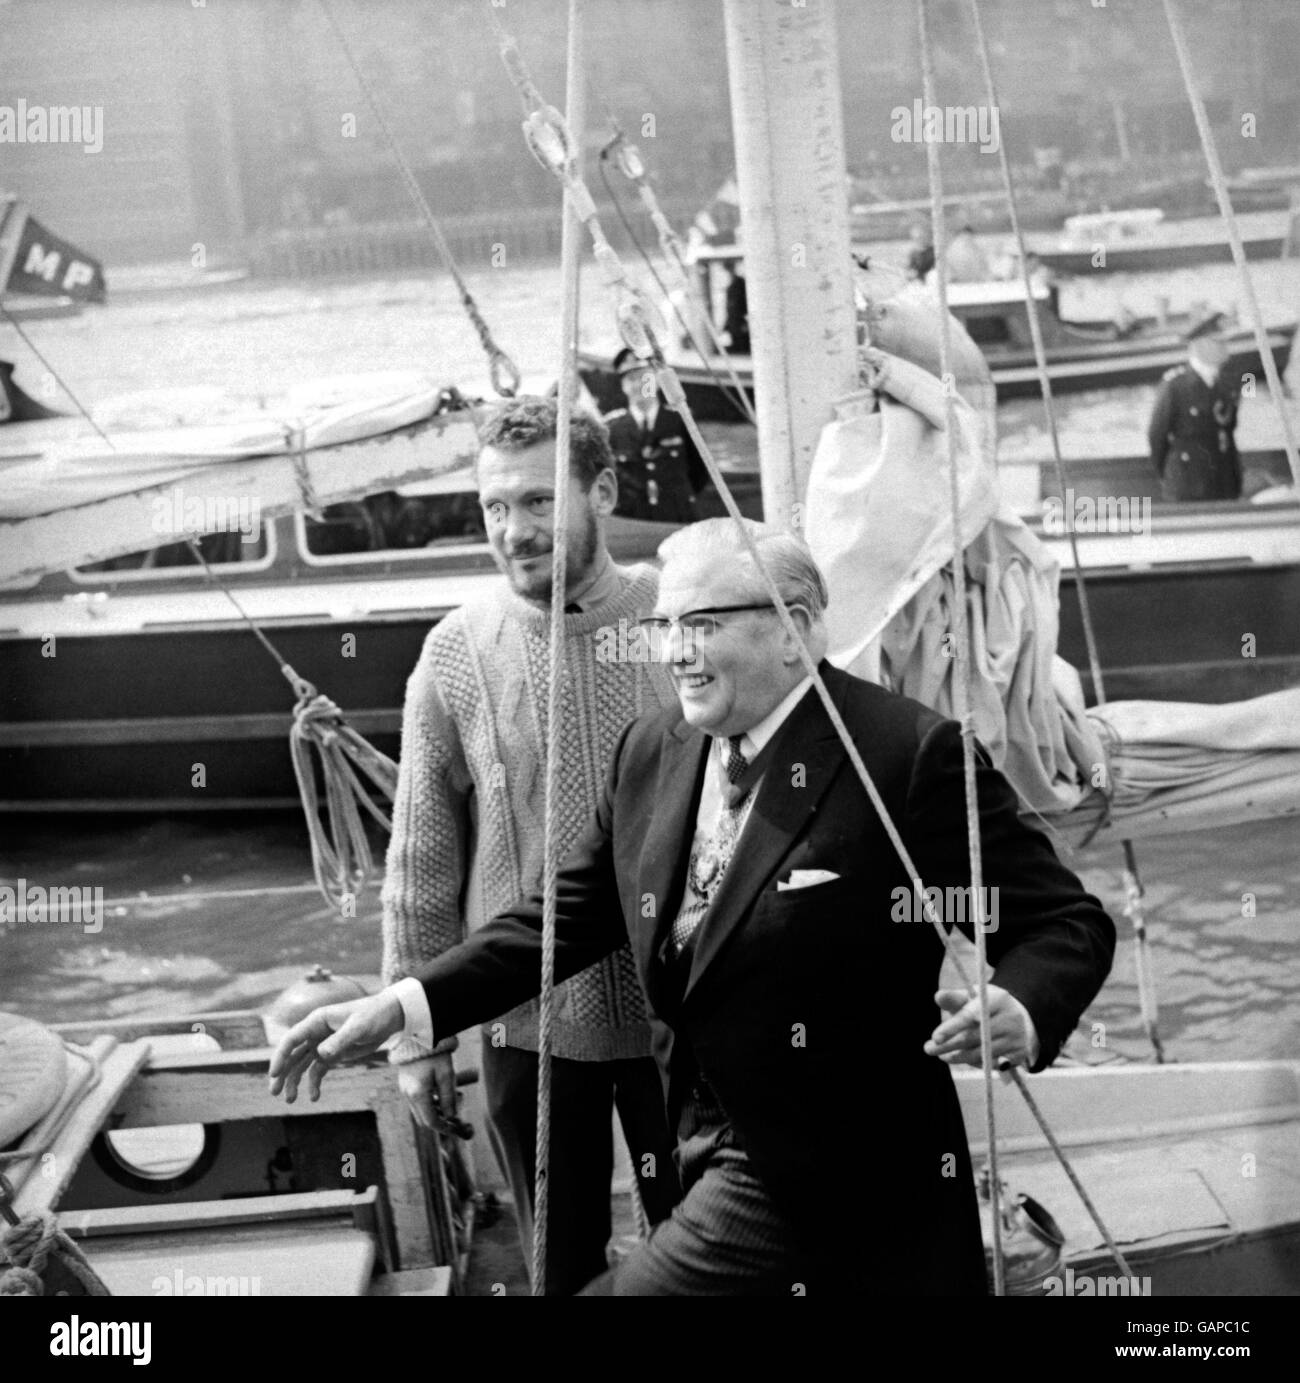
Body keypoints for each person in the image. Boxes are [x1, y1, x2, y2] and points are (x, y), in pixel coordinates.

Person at [271, 519, 1116, 1296]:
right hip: (696, 1161)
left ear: (792, 627)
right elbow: (559, 922)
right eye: (664, 626)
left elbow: (1063, 921)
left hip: (825, 1177)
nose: (675, 651)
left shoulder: (907, 758)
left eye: (701, 623)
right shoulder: (654, 751)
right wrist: (402, 1004)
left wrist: (1024, 1004)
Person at [377, 395, 680, 1295]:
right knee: (558, 1265)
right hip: (528, 1020)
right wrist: (415, 1040)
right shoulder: (456, 652)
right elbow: (421, 860)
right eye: (495, 507)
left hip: (678, 1008)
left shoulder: (679, 619)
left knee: (697, 1251)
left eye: (541, 500)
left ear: (605, 490)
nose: (516, 529)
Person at [603, 348, 708, 523]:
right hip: (631, 519)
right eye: (631, 379)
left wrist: (681, 498)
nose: (639, 385)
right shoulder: (612, 428)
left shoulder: (681, 421)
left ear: (658, 382)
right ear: (623, 386)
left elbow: (700, 470)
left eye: (645, 378)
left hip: (677, 515)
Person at [1147, 322, 1242, 502]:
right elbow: (1156, 436)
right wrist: (1168, 475)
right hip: (1189, 483)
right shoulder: (1175, 385)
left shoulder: (1229, 379)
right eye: (1218, 343)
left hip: (1225, 481)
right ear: (1199, 345)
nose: (1225, 348)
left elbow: (1233, 421)